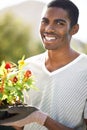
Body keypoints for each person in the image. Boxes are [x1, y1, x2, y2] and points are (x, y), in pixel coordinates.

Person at [0, 0, 87, 130]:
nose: (49, 29)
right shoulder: (27, 67)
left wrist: (41, 118)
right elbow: (22, 125)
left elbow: (36, 118)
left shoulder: (84, 69)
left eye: (59, 23)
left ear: (74, 29)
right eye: (45, 21)